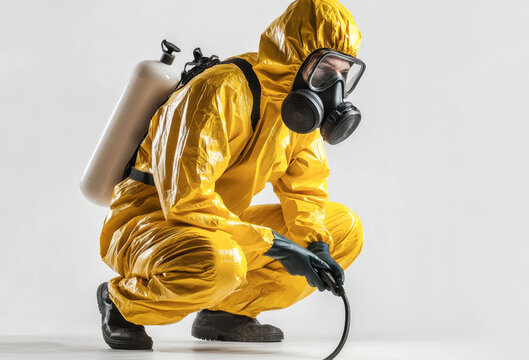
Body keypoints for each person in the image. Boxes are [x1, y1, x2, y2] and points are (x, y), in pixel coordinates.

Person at [95, 0, 364, 350]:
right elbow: (186, 201)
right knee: (222, 260)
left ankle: (226, 313)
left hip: (217, 228)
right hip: (149, 225)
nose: (333, 86)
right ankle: (122, 303)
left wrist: (317, 244)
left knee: (344, 229)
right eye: (325, 70)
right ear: (296, 53)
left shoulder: (297, 116)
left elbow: (306, 191)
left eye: (343, 73)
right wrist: (277, 246)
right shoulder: (219, 92)